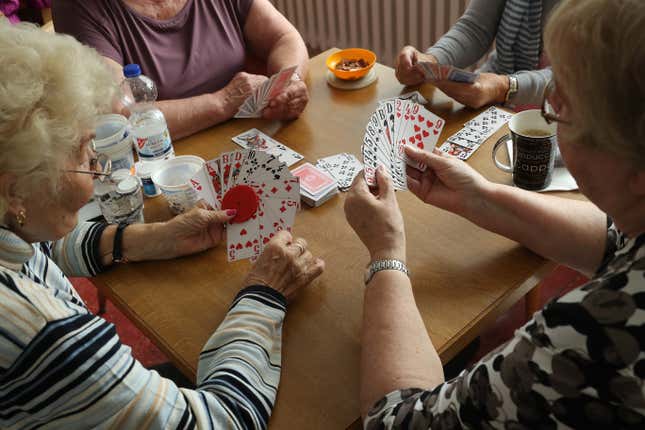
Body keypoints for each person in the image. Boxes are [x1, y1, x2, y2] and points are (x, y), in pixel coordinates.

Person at [0, 21, 324, 429]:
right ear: (17, 192)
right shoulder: (45, 335)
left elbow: (38, 249)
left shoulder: (12, 221)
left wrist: (153, 238)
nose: (99, 167)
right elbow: (221, 422)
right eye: (85, 153)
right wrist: (263, 293)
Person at [346, 0, 645, 427]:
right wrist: (479, 197)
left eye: (563, 110)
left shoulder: (589, 334)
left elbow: (395, 419)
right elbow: (616, 242)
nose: (551, 113)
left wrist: (385, 251)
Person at [52, 0, 310, 139]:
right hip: (164, 168)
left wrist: (289, 82)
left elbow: (284, 37)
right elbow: (121, 115)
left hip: (247, 136)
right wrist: (224, 101)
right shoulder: (78, 7)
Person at [396, 0, 559, 109]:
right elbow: (474, 29)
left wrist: (504, 88)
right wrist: (431, 60)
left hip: (561, 113)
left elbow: (577, 78)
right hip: (497, 76)